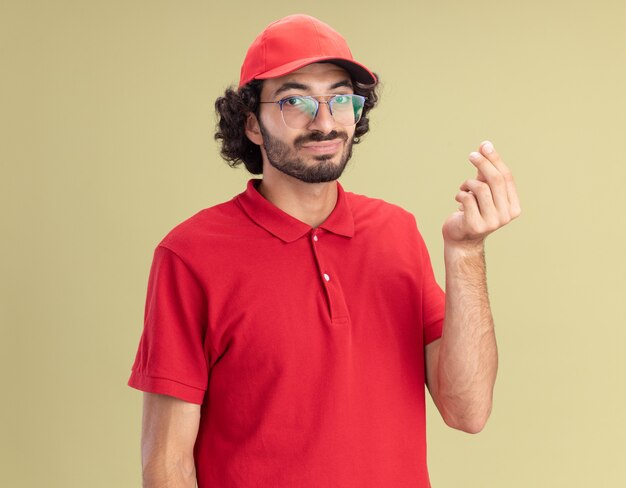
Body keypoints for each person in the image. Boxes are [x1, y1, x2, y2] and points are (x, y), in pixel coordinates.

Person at [128, 13, 521, 488]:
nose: (325, 122)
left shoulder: (396, 232)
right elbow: (167, 464)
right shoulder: (190, 255)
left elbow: (468, 411)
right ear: (252, 124)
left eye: (340, 99)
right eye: (296, 100)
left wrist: (467, 252)